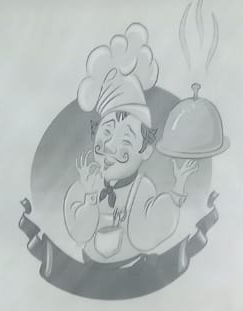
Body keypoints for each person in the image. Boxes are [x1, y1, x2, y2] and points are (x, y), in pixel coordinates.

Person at [63, 34, 198, 263]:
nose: (110, 147)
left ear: (145, 150)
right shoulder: (84, 185)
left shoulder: (141, 188)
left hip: (131, 266)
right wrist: (91, 198)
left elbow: (154, 228)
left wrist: (178, 186)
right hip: (88, 264)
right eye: (106, 133)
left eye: (126, 140)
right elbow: (78, 232)